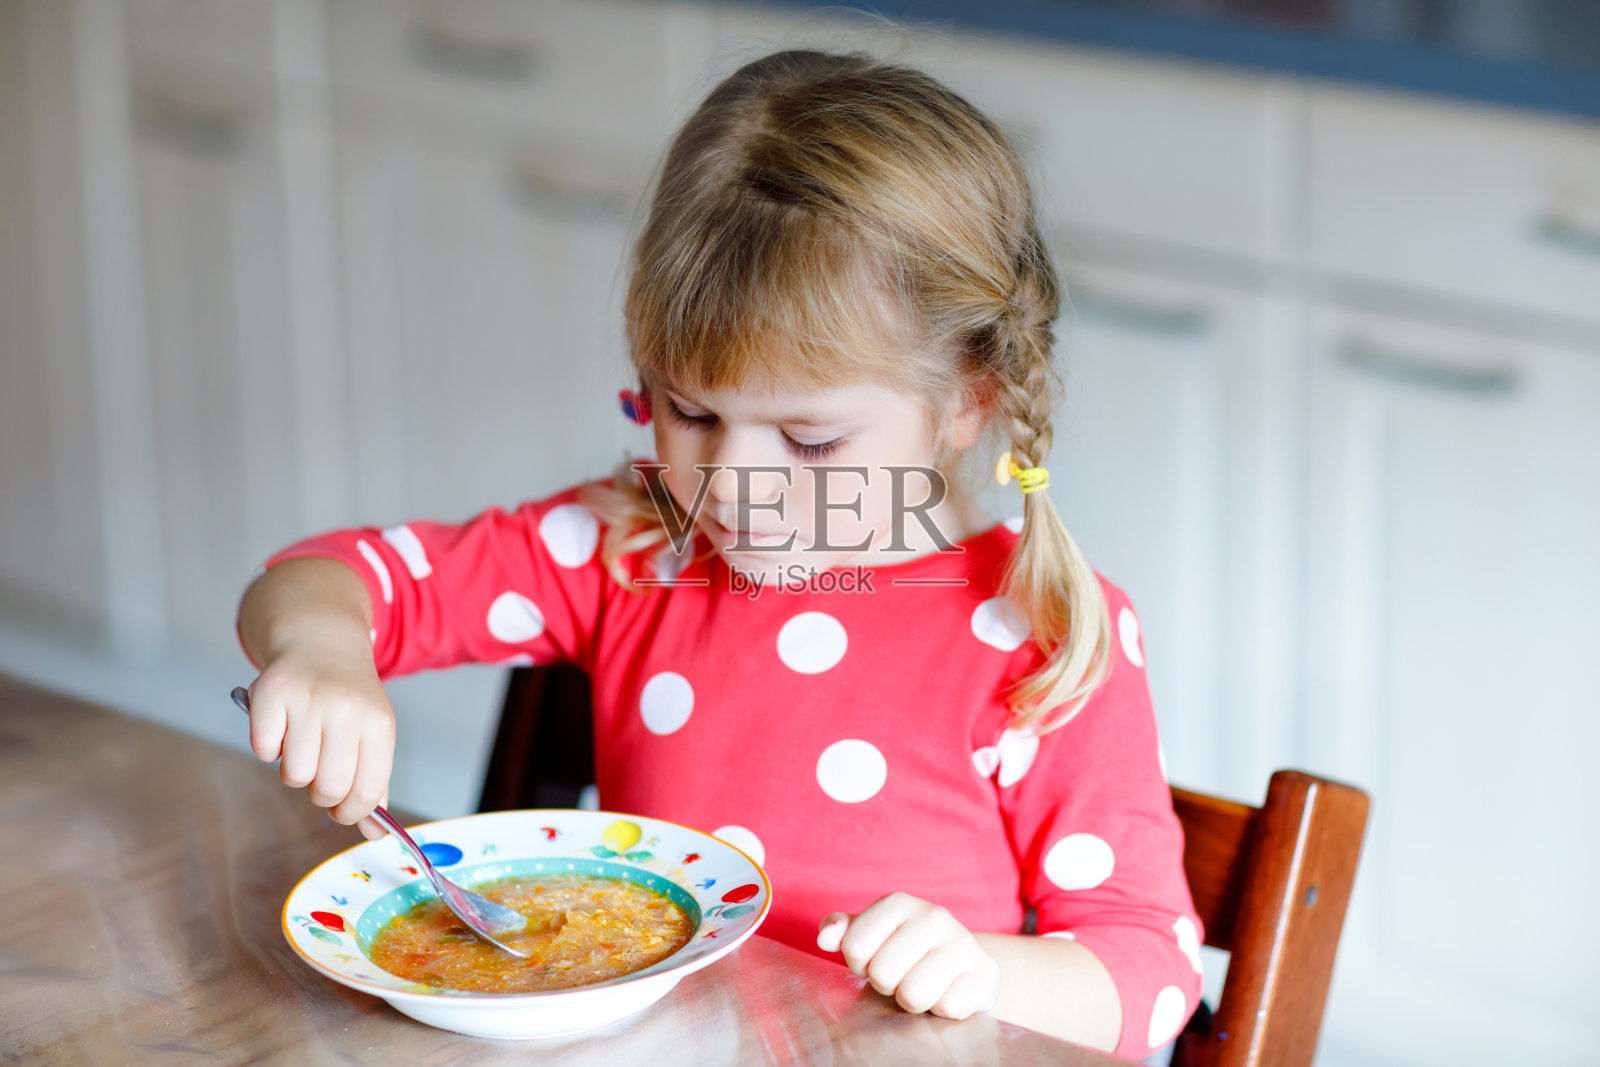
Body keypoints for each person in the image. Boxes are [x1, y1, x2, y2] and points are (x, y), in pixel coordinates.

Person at [236, 49, 1203, 1059]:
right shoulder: (631, 546)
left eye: (810, 439)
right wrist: (323, 648)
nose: (731, 481)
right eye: (691, 412)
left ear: (968, 398)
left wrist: (981, 970)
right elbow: (335, 576)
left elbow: (1149, 974)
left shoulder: (1036, 632)